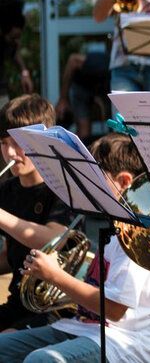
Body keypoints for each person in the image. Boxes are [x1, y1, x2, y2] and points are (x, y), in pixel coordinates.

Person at [0, 132, 150, 362]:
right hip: (83, 327)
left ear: (124, 182)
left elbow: (114, 310)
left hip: (125, 340)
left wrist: (55, 276)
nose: (86, 187)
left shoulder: (138, 237)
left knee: (41, 360)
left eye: (94, 179)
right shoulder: (114, 226)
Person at [0, 95, 73, 331]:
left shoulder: (63, 188)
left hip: (55, 310)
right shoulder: (7, 191)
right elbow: (11, 256)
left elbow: (54, 239)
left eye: (18, 143)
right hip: (18, 303)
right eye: (4, 143)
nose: (11, 153)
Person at [0, 0, 33, 106]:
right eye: (13, 38)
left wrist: (24, 73)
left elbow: (14, 53)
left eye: (19, 37)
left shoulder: (8, 40)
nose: (17, 42)